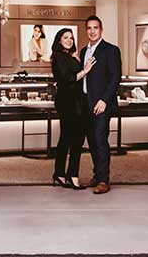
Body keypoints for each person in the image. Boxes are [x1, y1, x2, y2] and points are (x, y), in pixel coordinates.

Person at [80, 15, 122, 194]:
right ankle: (97, 175)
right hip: (86, 104)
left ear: (101, 29)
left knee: (100, 141)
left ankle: (104, 180)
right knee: (92, 142)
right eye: (89, 28)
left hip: (102, 105)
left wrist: (104, 100)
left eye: (95, 28)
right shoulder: (83, 51)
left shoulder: (111, 50)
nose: (92, 31)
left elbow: (115, 78)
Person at [50, 28, 94, 189]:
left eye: (71, 37)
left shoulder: (68, 56)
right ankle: (71, 175)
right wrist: (85, 70)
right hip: (68, 103)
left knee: (67, 139)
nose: (69, 40)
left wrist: (76, 60)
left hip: (74, 102)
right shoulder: (59, 57)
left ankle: (60, 173)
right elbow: (66, 80)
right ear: (59, 40)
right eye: (65, 37)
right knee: (75, 140)